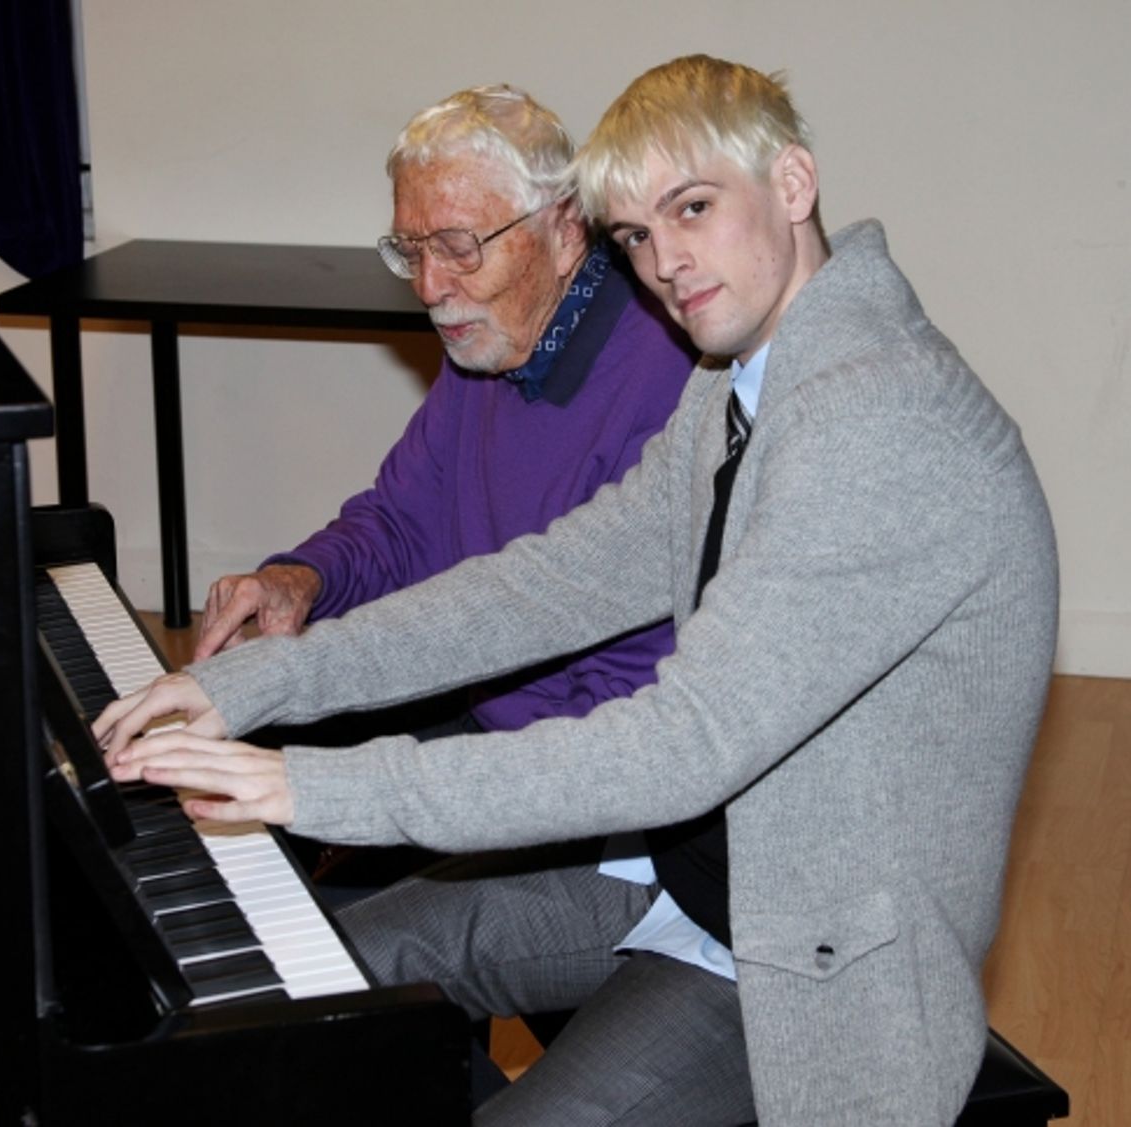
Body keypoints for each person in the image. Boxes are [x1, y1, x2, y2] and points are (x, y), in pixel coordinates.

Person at [97, 55, 1058, 1125]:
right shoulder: (737, 383)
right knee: (318, 977)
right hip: (688, 875)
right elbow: (539, 586)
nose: (665, 265)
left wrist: (306, 786)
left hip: (804, 952)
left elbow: (678, 743)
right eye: (639, 235)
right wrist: (260, 685)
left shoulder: (877, 423)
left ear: (790, 185)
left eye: (692, 208)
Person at [194, 85, 692, 743]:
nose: (430, 287)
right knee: (226, 734)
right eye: (411, 250)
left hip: (574, 764)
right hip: (480, 709)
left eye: (459, 247)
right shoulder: (488, 347)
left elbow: (623, 722)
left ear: (566, 228)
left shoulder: (665, 380)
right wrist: (301, 577)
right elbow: (402, 524)